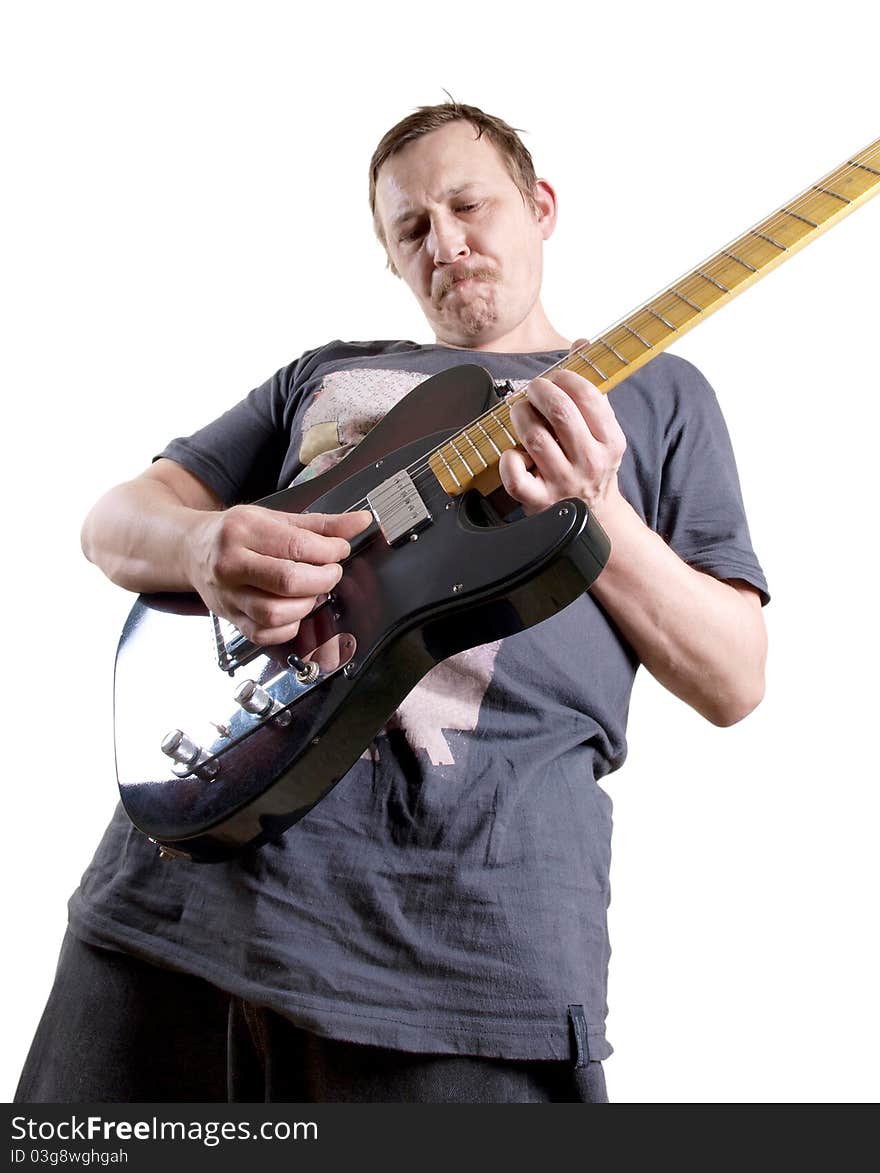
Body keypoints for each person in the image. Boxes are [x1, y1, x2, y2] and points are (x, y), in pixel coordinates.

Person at [15, 101, 768, 1104]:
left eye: (467, 204)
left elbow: (735, 678)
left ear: (539, 206)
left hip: (463, 950)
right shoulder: (327, 373)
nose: (443, 242)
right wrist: (203, 544)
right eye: (410, 228)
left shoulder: (656, 394)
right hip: (174, 905)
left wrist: (598, 512)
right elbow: (116, 521)